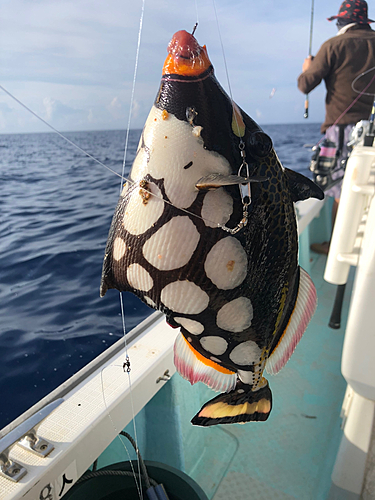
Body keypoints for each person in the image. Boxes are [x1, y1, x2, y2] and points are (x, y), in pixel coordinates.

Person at [298, 0, 375, 254]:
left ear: (341, 21)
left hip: (342, 130)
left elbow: (305, 85)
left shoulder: (333, 45)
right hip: (372, 130)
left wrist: (307, 69)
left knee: (343, 188)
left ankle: (337, 247)